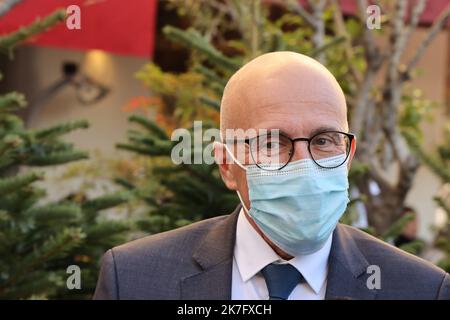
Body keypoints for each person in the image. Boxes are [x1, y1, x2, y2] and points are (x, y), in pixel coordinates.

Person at [93, 51, 450, 300]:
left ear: (348, 156)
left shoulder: (420, 289)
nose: (303, 163)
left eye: (324, 140)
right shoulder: (135, 279)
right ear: (227, 165)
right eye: (272, 142)